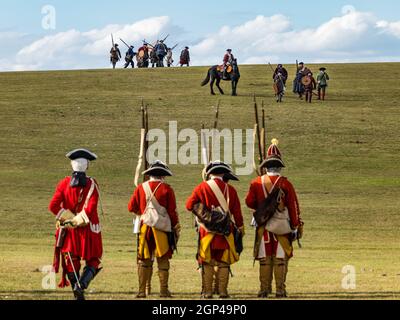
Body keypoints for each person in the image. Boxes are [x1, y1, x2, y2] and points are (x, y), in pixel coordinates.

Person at [246, 140, 303, 298]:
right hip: (282, 227)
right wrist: (296, 224)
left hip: (263, 227)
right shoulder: (286, 183)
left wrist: (262, 205)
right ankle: (280, 290)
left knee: (264, 260)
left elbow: (249, 202)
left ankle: (264, 290)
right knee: (279, 259)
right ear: (279, 166)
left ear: (266, 166)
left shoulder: (257, 182)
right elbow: (293, 206)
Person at [49, 149, 103, 300]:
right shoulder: (92, 184)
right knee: (93, 259)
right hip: (88, 229)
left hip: (70, 229)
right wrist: (77, 220)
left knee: (72, 260)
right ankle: (81, 286)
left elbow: (53, 206)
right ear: (86, 166)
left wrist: (69, 220)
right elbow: (90, 209)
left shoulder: (64, 183)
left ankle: (77, 292)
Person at [186, 161, 244, 299]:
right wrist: (241, 228)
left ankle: (207, 292)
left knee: (207, 262)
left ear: (209, 173)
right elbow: (237, 213)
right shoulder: (231, 190)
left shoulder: (201, 187)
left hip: (207, 232)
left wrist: (203, 212)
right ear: (223, 173)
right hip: (225, 231)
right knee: (224, 263)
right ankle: (223, 292)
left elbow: (189, 205)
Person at [128, 161, 181, 298]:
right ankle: (163, 291)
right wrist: (175, 226)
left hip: (145, 228)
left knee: (144, 259)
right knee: (163, 259)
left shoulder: (140, 188)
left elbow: (131, 207)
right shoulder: (167, 189)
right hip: (162, 229)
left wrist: (143, 213)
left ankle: (142, 291)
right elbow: (172, 212)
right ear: (163, 175)